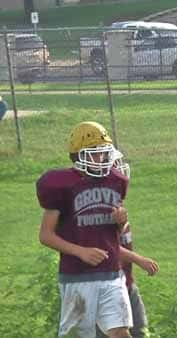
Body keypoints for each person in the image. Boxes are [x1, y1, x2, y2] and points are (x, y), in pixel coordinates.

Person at [37, 121, 133, 338]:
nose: (103, 159)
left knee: (121, 333)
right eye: (96, 153)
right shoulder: (61, 185)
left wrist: (121, 221)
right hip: (77, 276)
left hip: (112, 272)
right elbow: (45, 235)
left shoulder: (114, 181)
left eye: (104, 153)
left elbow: (118, 230)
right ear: (79, 156)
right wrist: (80, 251)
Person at [97, 152, 160, 338]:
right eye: (115, 165)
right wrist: (139, 259)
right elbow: (105, 245)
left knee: (141, 332)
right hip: (105, 287)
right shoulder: (96, 205)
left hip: (126, 283)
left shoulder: (115, 202)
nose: (120, 169)